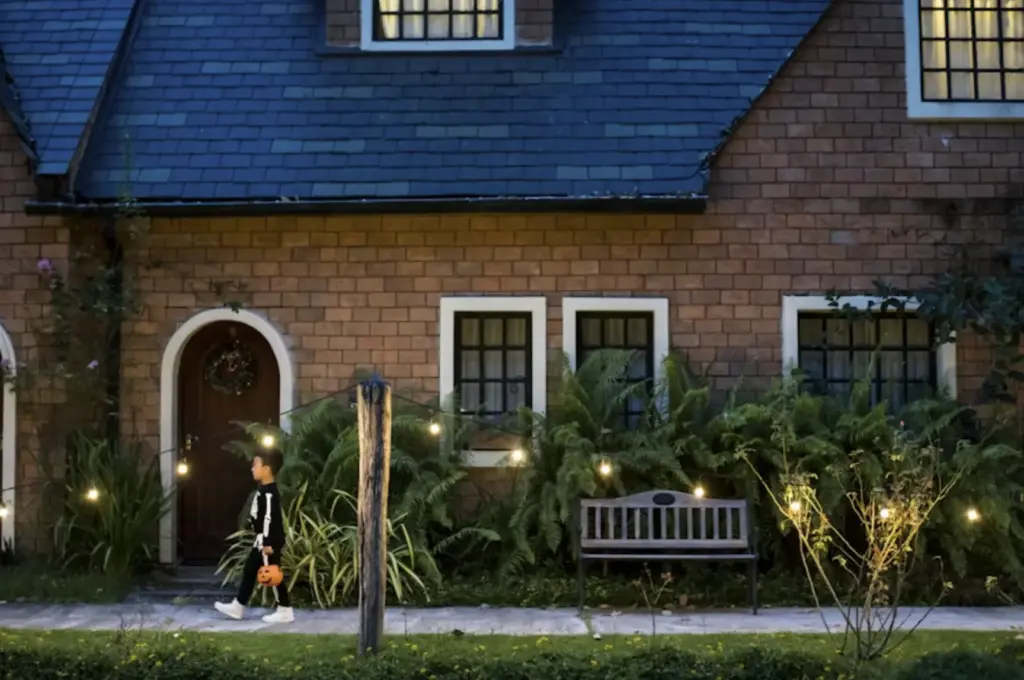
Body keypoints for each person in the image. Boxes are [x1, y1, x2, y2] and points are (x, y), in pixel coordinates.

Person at [214, 448, 294, 624]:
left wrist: (267, 542)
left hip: (267, 542)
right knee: (250, 570)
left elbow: (269, 518)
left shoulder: (269, 493)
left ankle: (285, 609)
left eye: (256, 465)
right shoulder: (264, 490)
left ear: (267, 469)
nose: (252, 468)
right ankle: (238, 606)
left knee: (272, 574)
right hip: (262, 539)